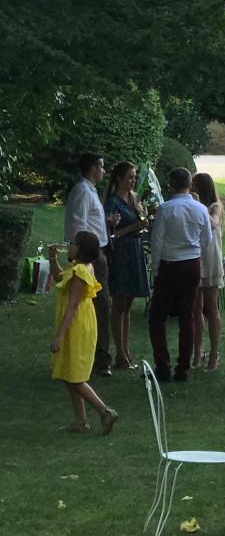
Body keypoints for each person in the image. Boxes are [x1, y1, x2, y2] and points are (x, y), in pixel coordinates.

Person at [48, 232, 119, 434]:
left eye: (73, 243)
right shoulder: (79, 267)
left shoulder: (80, 271)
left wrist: (60, 335)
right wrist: (52, 258)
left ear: (80, 249)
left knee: (75, 377)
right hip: (78, 321)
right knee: (69, 372)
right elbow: (59, 278)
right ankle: (81, 420)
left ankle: (105, 412)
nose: (69, 245)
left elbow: (72, 305)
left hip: (76, 324)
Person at [148, 167, 214, 383]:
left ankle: (163, 365)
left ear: (170, 185)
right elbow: (207, 240)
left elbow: (156, 242)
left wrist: (155, 269)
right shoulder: (200, 209)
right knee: (187, 315)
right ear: (189, 184)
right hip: (192, 263)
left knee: (158, 316)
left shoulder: (166, 209)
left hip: (170, 263)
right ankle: (183, 367)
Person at [64, 153, 112, 377]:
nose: (104, 171)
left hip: (95, 252)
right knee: (99, 306)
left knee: (98, 307)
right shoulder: (83, 191)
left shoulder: (89, 191)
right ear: (93, 168)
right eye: (101, 167)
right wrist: (83, 259)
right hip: (90, 256)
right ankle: (100, 359)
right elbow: (78, 226)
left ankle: (95, 355)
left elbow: (89, 223)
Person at [104, 161, 148, 371]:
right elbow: (111, 235)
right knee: (119, 303)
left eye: (134, 177)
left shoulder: (134, 198)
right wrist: (134, 226)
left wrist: (144, 221)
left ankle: (125, 350)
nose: (133, 181)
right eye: (129, 177)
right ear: (118, 179)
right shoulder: (112, 203)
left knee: (128, 304)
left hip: (135, 250)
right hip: (121, 254)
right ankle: (119, 353)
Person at [190, 172, 225, 371]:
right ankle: (198, 350)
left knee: (211, 308)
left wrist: (197, 205)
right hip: (196, 259)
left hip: (211, 260)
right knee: (195, 308)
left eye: (193, 185)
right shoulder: (193, 206)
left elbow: (212, 223)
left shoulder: (214, 207)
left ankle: (214, 352)